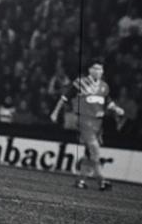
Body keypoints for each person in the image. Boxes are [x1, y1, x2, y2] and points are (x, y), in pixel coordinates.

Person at [50, 60, 124, 190]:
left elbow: (108, 102)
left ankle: (81, 181)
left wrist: (116, 109)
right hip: (84, 121)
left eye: (100, 69)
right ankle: (102, 181)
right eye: (95, 68)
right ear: (89, 70)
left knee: (89, 154)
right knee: (95, 151)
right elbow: (64, 98)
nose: (98, 71)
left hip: (98, 124)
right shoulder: (80, 83)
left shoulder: (104, 86)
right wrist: (55, 112)